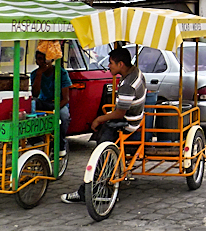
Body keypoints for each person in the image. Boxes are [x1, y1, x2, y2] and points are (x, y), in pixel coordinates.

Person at [61, 46, 146, 204]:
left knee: (101, 150)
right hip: (134, 117)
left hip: (128, 123)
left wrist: (99, 119)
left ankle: (89, 186)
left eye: (111, 63)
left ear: (121, 64)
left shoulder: (128, 84)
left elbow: (119, 113)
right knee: (101, 131)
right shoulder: (135, 72)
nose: (108, 66)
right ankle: (108, 168)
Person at [31, 49, 71, 152]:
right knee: (31, 105)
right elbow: (35, 94)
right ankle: (35, 139)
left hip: (59, 103)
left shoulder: (62, 73)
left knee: (63, 116)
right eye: (40, 59)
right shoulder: (35, 74)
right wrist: (39, 75)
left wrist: (55, 109)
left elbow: (65, 98)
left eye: (45, 59)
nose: (43, 62)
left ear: (51, 60)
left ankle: (60, 145)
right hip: (44, 102)